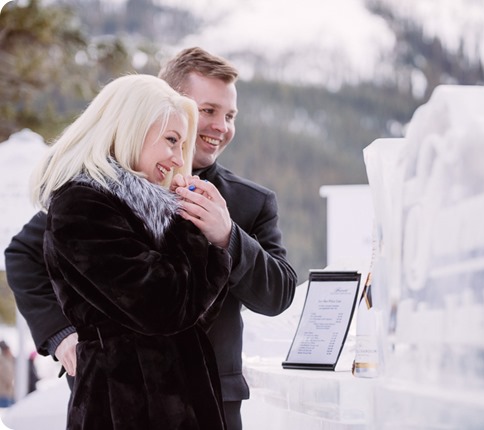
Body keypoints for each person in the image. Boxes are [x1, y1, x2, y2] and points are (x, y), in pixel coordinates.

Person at [5, 47, 298, 430]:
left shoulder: (250, 200)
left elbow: (280, 293)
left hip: (214, 396)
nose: (220, 126)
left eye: (230, 115)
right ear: (160, 103)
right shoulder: (96, 193)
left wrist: (228, 237)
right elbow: (26, 254)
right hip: (121, 396)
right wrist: (61, 335)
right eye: (208, 111)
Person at [26, 73, 232, 429]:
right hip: (126, 406)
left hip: (170, 402)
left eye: (181, 146)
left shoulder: (146, 209)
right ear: (131, 127)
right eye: (171, 140)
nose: (177, 158)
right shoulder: (82, 204)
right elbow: (164, 306)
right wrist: (197, 229)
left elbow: (192, 312)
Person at [0, 340, 15, 408]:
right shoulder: (2, 360)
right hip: (3, 392)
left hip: (9, 392)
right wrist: (9, 382)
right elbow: (6, 375)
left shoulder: (9, 359)